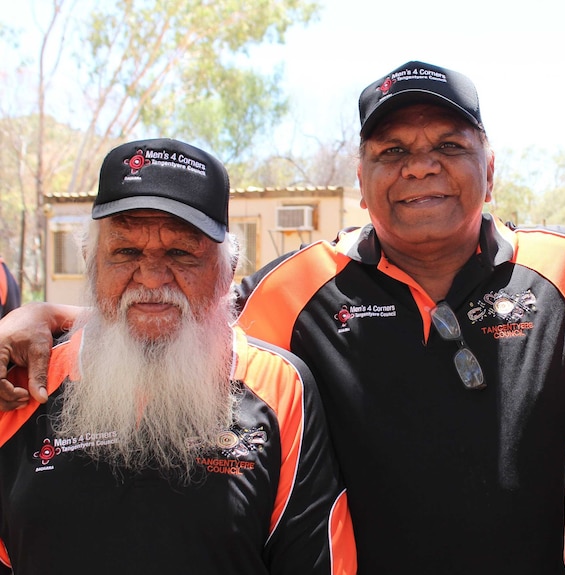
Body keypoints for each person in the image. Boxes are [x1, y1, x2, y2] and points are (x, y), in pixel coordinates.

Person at [0, 64, 565, 574]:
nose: (422, 170)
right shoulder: (295, 288)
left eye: (448, 146)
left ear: (491, 164)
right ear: (364, 172)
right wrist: (46, 314)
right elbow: (175, 305)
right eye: (393, 152)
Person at [0, 138, 356, 575]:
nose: (151, 276)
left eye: (181, 253)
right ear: (90, 261)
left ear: (228, 270)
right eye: (126, 251)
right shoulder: (22, 384)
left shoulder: (281, 388)